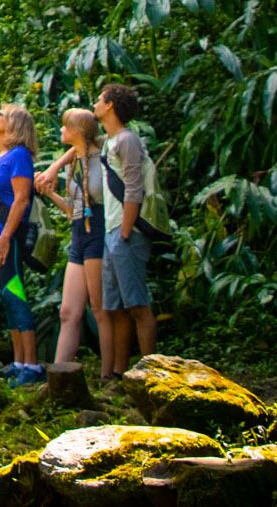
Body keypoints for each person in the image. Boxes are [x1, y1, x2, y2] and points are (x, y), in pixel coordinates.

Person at [36, 107, 112, 377]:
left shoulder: (101, 157)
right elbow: (72, 210)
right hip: (79, 232)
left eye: (65, 126)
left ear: (77, 132)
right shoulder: (76, 161)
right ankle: (58, 374)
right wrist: (50, 194)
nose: (61, 131)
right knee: (68, 311)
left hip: (98, 231)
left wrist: (56, 165)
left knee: (99, 307)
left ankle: (108, 373)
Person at [97, 83, 157, 374]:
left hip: (125, 232)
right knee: (116, 307)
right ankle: (120, 373)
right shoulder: (108, 142)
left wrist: (124, 232)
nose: (95, 103)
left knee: (137, 305)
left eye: (99, 99)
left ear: (110, 105)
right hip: (111, 231)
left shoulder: (127, 141)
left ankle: (151, 373)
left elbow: (134, 190)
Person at [0, 103, 41, 386]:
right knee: (7, 296)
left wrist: (5, 237)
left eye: (1, 116)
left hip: (10, 238)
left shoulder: (19, 156)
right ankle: (18, 361)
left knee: (16, 295)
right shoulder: (3, 156)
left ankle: (32, 363)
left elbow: (21, 199)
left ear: (14, 124)